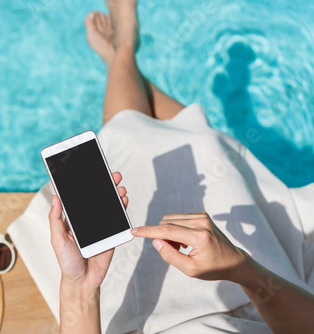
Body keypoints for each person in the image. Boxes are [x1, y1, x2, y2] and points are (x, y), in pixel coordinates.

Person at [47, 0, 314, 333]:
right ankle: (123, 57)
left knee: (133, 144)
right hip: (259, 302)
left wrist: (81, 287)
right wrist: (241, 268)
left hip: (139, 312)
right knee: (203, 146)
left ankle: (122, 55)